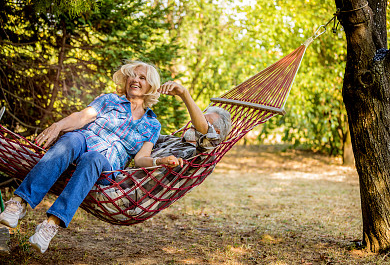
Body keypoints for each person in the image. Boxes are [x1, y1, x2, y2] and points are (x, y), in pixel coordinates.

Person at [0, 60, 175, 253]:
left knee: (94, 158)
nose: (135, 80)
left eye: (142, 77)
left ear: (151, 86)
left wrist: (159, 161)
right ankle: (19, 202)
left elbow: (141, 158)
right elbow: (81, 117)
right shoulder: (109, 100)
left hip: (105, 164)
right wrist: (58, 125)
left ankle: (50, 224)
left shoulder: (152, 124)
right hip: (84, 143)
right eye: (132, 75)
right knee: (72, 139)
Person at [92, 81, 232, 220]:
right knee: (79, 153)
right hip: (112, 181)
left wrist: (184, 93)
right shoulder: (174, 141)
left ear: (216, 133)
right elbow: (139, 132)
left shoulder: (204, 158)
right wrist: (108, 108)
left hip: (124, 201)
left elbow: (205, 133)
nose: (194, 123)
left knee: (76, 176)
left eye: (203, 121)